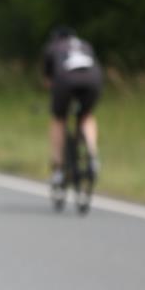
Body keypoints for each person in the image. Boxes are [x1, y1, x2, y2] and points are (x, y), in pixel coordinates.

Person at [42, 26, 103, 185]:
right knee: (86, 115)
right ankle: (92, 155)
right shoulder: (85, 45)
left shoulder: (53, 47)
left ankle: (59, 169)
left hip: (65, 81)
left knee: (58, 119)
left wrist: (57, 102)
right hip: (93, 80)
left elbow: (49, 82)